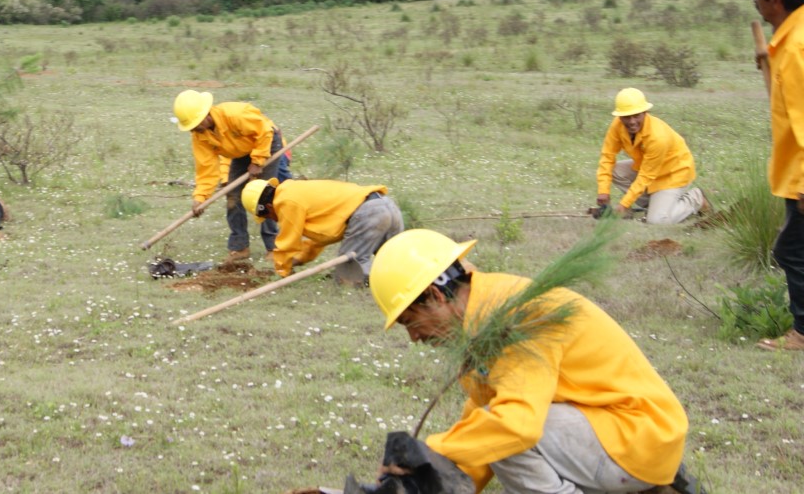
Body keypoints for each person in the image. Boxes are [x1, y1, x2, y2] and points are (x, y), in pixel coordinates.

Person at [370, 229, 694, 493]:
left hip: (640, 435)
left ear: (436, 295)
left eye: (410, 321)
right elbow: (484, 421)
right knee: (493, 425)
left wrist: (428, 452)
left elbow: (515, 426)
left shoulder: (513, 316)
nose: (414, 338)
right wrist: (434, 479)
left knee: (510, 431)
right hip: (619, 433)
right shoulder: (485, 318)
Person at [746, 0, 804, 352]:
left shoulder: (798, 48)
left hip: (800, 176)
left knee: (791, 249)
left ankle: (802, 333)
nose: (755, 1)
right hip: (793, 171)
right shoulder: (792, 40)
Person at [173, 90, 292, 260]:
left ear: (206, 115)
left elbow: (265, 132)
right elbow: (206, 169)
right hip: (240, 153)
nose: (194, 130)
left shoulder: (235, 114)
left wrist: (257, 161)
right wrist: (201, 198)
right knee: (233, 197)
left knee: (264, 195)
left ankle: (274, 247)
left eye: (195, 125)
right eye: (190, 127)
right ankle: (240, 246)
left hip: (267, 142)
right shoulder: (200, 135)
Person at [241, 177, 403, 282]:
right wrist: (298, 259)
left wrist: (283, 271)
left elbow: (287, 241)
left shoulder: (285, 202)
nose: (273, 220)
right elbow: (317, 241)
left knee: (349, 275)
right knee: (400, 262)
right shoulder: (294, 191)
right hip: (386, 205)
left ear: (268, 207)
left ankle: (372, 286)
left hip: (368, 214)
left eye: (268, 216)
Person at [596, 87, 707, 224]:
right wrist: (603, 191)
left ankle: (696, 199)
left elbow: (646, 176)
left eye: (636, 115)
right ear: (619, 116)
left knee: (656, 221)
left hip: (673, 174)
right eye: (626, 117)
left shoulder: (657, 137)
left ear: (645, 113)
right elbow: (607, 157)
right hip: (648, 169)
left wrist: (624, 204)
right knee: (615, 171)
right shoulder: (617, 126)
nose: (631, 122)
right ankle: (657, 205)